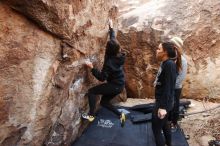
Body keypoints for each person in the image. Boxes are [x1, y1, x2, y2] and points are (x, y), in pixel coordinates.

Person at [82, 19, 126, 127]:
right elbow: (113, 39)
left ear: (108, 50)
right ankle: (121, 115)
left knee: (92, 92)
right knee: (104, 102)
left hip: (115, 85)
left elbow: (102, 78)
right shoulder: (120, 54)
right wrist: (111, 28)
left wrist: (92, 67)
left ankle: (91, 115)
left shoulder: (109, 62)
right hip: (120, 84)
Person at [152, 42, 178, 146]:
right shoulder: (166, 63)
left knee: (156, 129)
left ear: (165, 52)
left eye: (159, 49)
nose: (156, 50)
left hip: (164, 103)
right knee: (165, 124)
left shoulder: (169, 65)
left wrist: (163, 107)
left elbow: (169, 87)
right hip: (163, 101)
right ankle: (169, 143)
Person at [169, 37, 188, 128]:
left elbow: (181, 77)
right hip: (168, 86)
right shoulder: (169, 57)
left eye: (171, 45)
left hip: (176, 88)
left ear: (175, 47)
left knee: (175, 105)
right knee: (167, 104)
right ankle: (167, 121)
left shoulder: (183, 61)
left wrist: (171, 86)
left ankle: (174, 123)